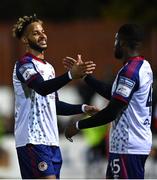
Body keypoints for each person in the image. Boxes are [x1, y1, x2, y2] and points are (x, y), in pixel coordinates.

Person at [12, 14, 98, 179]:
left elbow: (54, 104)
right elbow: (42, 88)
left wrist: (82, 108)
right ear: (24, 39)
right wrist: (70, 75)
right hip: (32, 139)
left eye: (43, 31)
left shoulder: (49, 68)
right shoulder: (23, 65)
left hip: (51, 141)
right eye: (36, 33)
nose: (42, 35)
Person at [64, 24, 153, 179]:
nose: (114, 45)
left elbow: (112, 111)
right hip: (130, 146)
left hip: (127, 148)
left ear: (123, 42)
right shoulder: (142, 67)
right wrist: (85, 76)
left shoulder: (130, 72)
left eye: (116, 40)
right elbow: (114, 94)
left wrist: (79, 125)